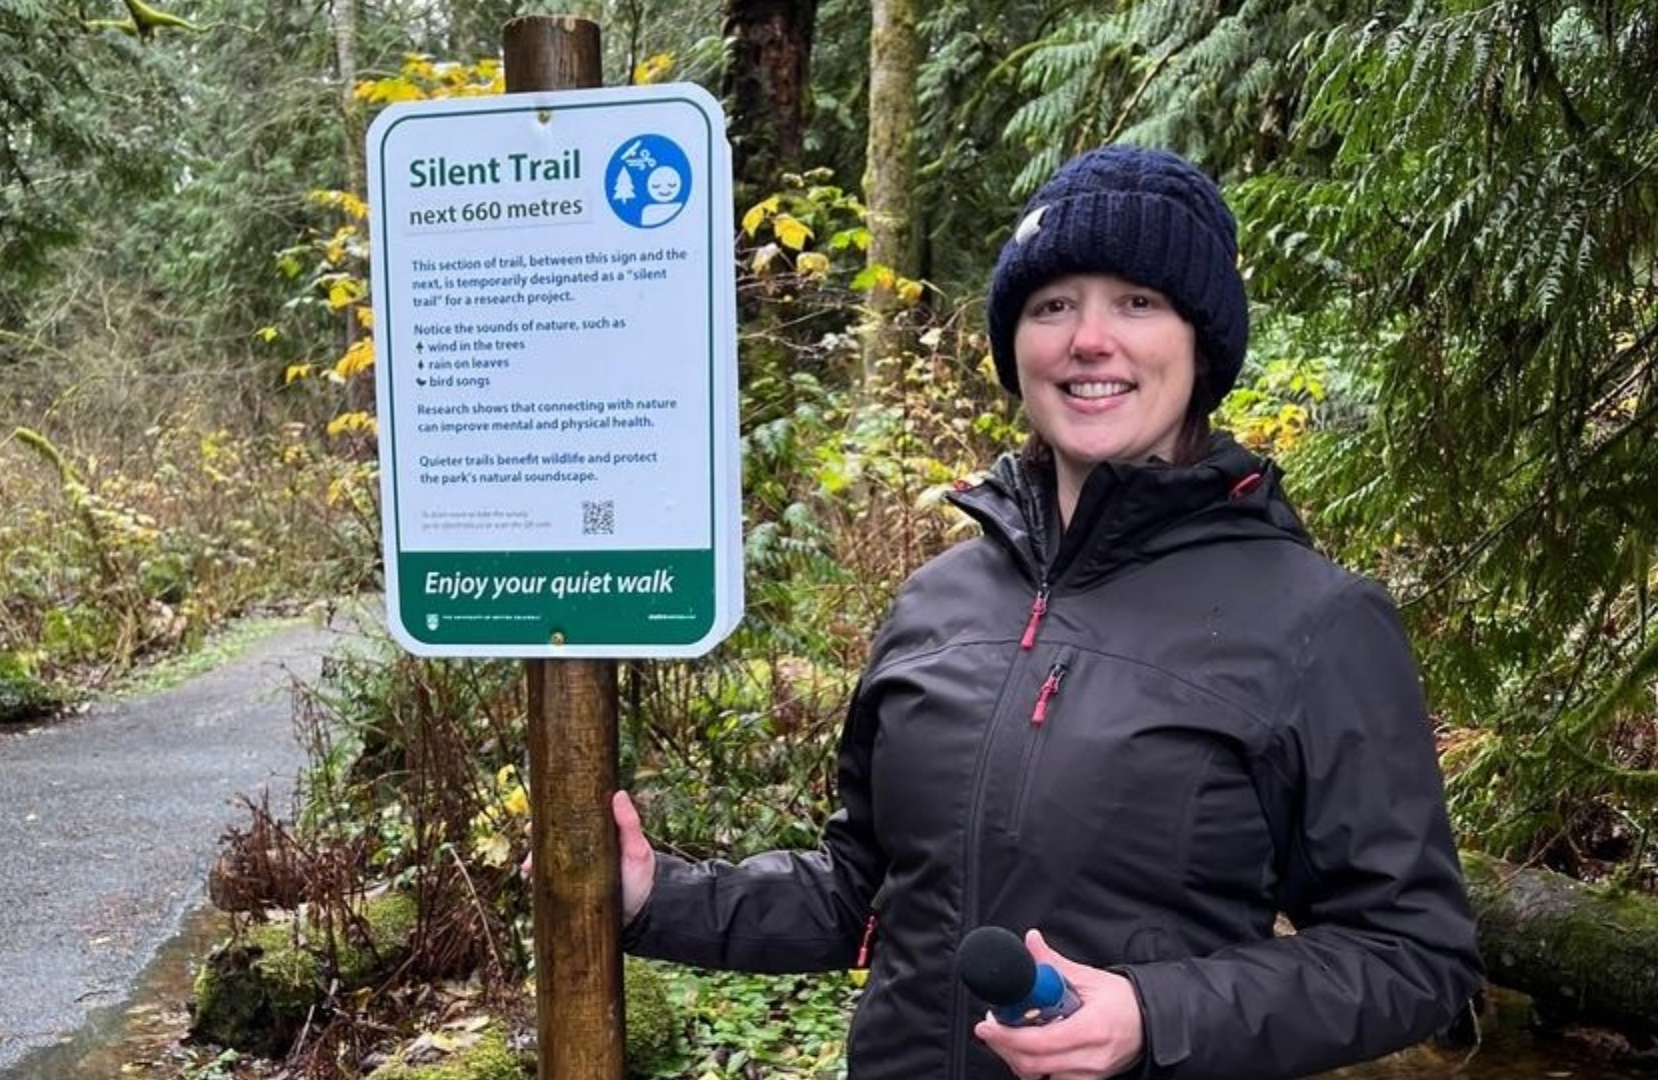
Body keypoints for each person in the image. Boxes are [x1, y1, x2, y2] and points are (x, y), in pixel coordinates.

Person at [609, 144, 1485, 1080]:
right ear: (1015, 342)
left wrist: (1154, 1014)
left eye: (1137, 303)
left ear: (1201, 343)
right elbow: (863, 894)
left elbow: (1413, 956)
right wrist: (655, 896)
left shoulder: (1317, 620)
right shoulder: (938, 599)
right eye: (1052, 305)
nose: (1088, 340)